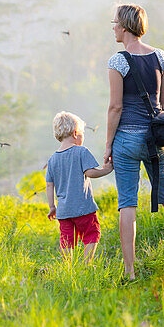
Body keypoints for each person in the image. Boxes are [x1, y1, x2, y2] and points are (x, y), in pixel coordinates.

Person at [102, 3, 164, 280]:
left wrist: (107, 146)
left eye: (115, 22)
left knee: (127, 204)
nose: (113, 27)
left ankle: (129, 272)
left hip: (126, 140)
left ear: (126, 26)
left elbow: (115, 107)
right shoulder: (161, 58)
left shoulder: (117, 62)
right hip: (157, 141)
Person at [46, 111, 112, 261]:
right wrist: (106, 169)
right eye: (82, 134)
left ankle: (68, 267)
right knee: (91, 233)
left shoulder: (52, 160)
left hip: (63, 210)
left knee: (67, 239)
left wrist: (52, 206)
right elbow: (90, 172)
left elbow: (49, 185)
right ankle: (87, 263)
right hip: (83, 208)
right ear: (75, 134)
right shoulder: (81, 151)